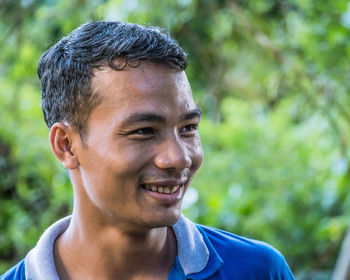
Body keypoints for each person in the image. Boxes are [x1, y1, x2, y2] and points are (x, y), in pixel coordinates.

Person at [1, 21, 294, 280]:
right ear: (66, 145)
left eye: (188, 128)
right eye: (144, 131)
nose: (179, 158)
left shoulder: (257, 270)